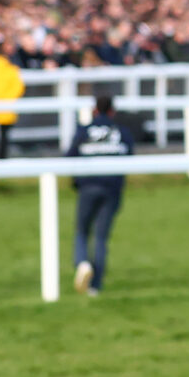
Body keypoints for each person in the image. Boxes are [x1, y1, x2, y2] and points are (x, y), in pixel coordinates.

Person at [64, 90, 134, 295]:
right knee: (101, 237)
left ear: (94, 110)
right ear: (112, 111)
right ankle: (95, 286)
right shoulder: (122, 132)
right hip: (112, 189)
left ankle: (83, 262)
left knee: (82, 231)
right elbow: (131, 157)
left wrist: (76, 181)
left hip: (88, 187)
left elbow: (69, 157)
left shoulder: (84, 131)